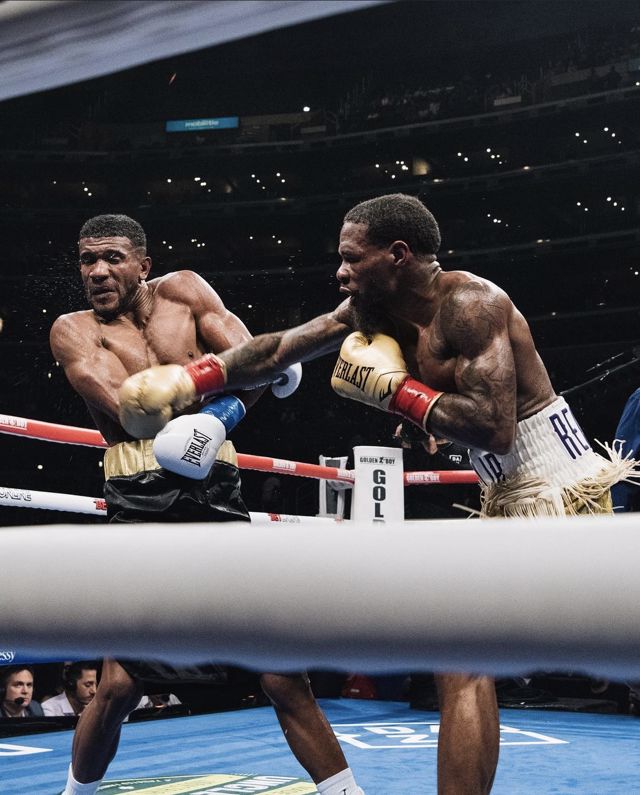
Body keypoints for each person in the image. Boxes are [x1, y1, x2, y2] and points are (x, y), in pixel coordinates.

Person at [119, 193, 637, 794]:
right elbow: (281, 348)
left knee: (498, 658)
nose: (340, 272)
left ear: (398, 254)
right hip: (506, 492)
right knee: (471, 660)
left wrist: (398, 393)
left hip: (558, 488)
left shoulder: (472, 305)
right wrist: (193, 378)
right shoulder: (372, 309)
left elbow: (494, 426)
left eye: (351, 258)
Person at [50, 214, 363, 795]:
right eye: (87, 260)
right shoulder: (72, 330)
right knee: (119, 685)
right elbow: (134, 409)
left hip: (215, 490)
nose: (97, 271)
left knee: (280, 672)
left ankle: (347, 792)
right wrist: (233, 379)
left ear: (144, 265)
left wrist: (220, 417)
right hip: (137, 498)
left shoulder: (187, 291)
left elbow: (262, 363)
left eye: (112, 258)